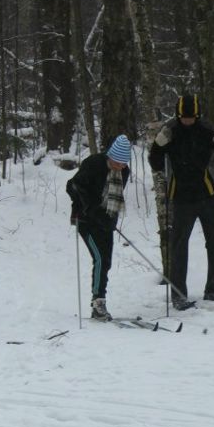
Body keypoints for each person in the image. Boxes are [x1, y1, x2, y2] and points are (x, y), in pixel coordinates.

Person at [148, 93, 214, 310]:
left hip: (209, 195)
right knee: (179, 246)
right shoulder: (170, 131)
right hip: (181, 198)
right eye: (184, 118)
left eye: (191, 117)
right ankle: (178, 294)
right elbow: (156, 164)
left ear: (197, 115)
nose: (187, 121)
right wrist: (158, 145)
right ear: (178, 116)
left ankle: (212, 289)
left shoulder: (207, 131)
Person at [67, 134, 132, 321]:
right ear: (110, 156)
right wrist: (89, 208)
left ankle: (100, 299)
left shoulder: (124, 172)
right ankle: (98, 304)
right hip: (85, 220)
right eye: (117, 162)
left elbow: (114, 197)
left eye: (123, 163)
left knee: (107, 261)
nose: (120, 166)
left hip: (105, 220)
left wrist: (110, 220)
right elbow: (73, 186)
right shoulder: (93, 164)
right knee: (100, 258)